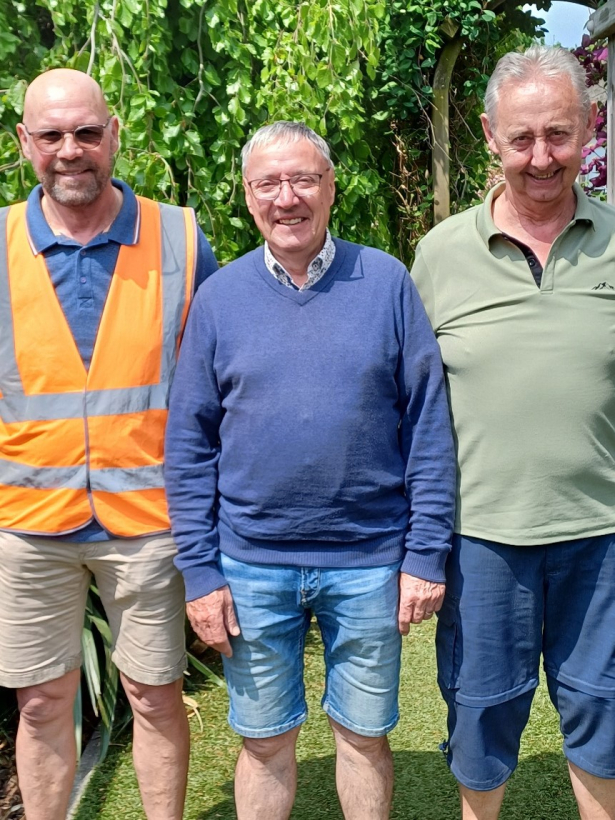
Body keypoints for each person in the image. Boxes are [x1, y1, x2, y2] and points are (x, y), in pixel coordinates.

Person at [164, 120, 456, 820]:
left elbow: (427, 426)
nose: (286, 197)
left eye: (303, 180)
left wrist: (424, 554)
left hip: (367, 559)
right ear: (247, 195)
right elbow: (188, 444)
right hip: (250, 562)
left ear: (330, 189)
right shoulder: (220, 298)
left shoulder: (384, 282)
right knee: (263, 741)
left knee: (362, 736)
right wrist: (200, 575)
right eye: (268, 182)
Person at [0, 68, 218, 820]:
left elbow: (219, 377)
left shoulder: (181, 236)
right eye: (52, 134)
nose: (71, 150)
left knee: (154, 698)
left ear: (114, 134)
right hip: (28, 527)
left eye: (87, 132)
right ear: (24, 141)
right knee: (39, 703)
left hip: (149, 523)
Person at [410, 45, 615, 820]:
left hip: (601, 537)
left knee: (603, 715)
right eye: (521, 138)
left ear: (589, 127)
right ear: (490, 138)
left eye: (558, 134)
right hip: (481, 540)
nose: (540, 157)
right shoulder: (437, 258)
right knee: (479, 716)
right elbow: (413, 407)